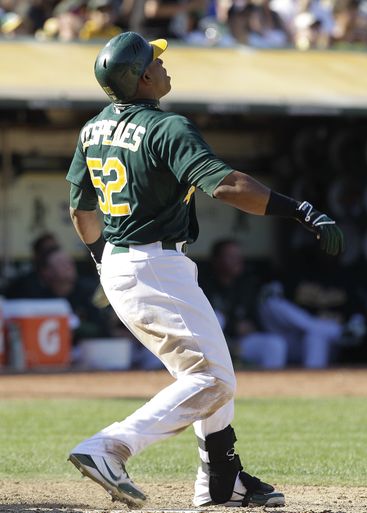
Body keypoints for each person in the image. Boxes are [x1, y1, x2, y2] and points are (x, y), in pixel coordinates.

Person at [65, 31, 343, 509]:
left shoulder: (92, 128)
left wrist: (103, 262)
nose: (164, 64)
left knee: (210, 368)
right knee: (214, 379)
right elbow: (228, 186)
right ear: (144, 77)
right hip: (154, 263)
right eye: (156, 59)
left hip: (123, 260)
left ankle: (221, 478)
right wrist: (300, 210)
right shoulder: (167, 127)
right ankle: (110, 447)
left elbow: (80, 211)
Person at [200, 239, 287, 369]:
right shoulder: (203, 284)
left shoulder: (246, 284)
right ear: (216, 260)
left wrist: (250, 326)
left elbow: (254, 320)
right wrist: (233, 326)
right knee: (217, 317)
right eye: (231, 257)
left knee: (275, 344)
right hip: (209, 346)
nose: (237, 261)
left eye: (239, 257)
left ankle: (271, 387)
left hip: (238, 343)